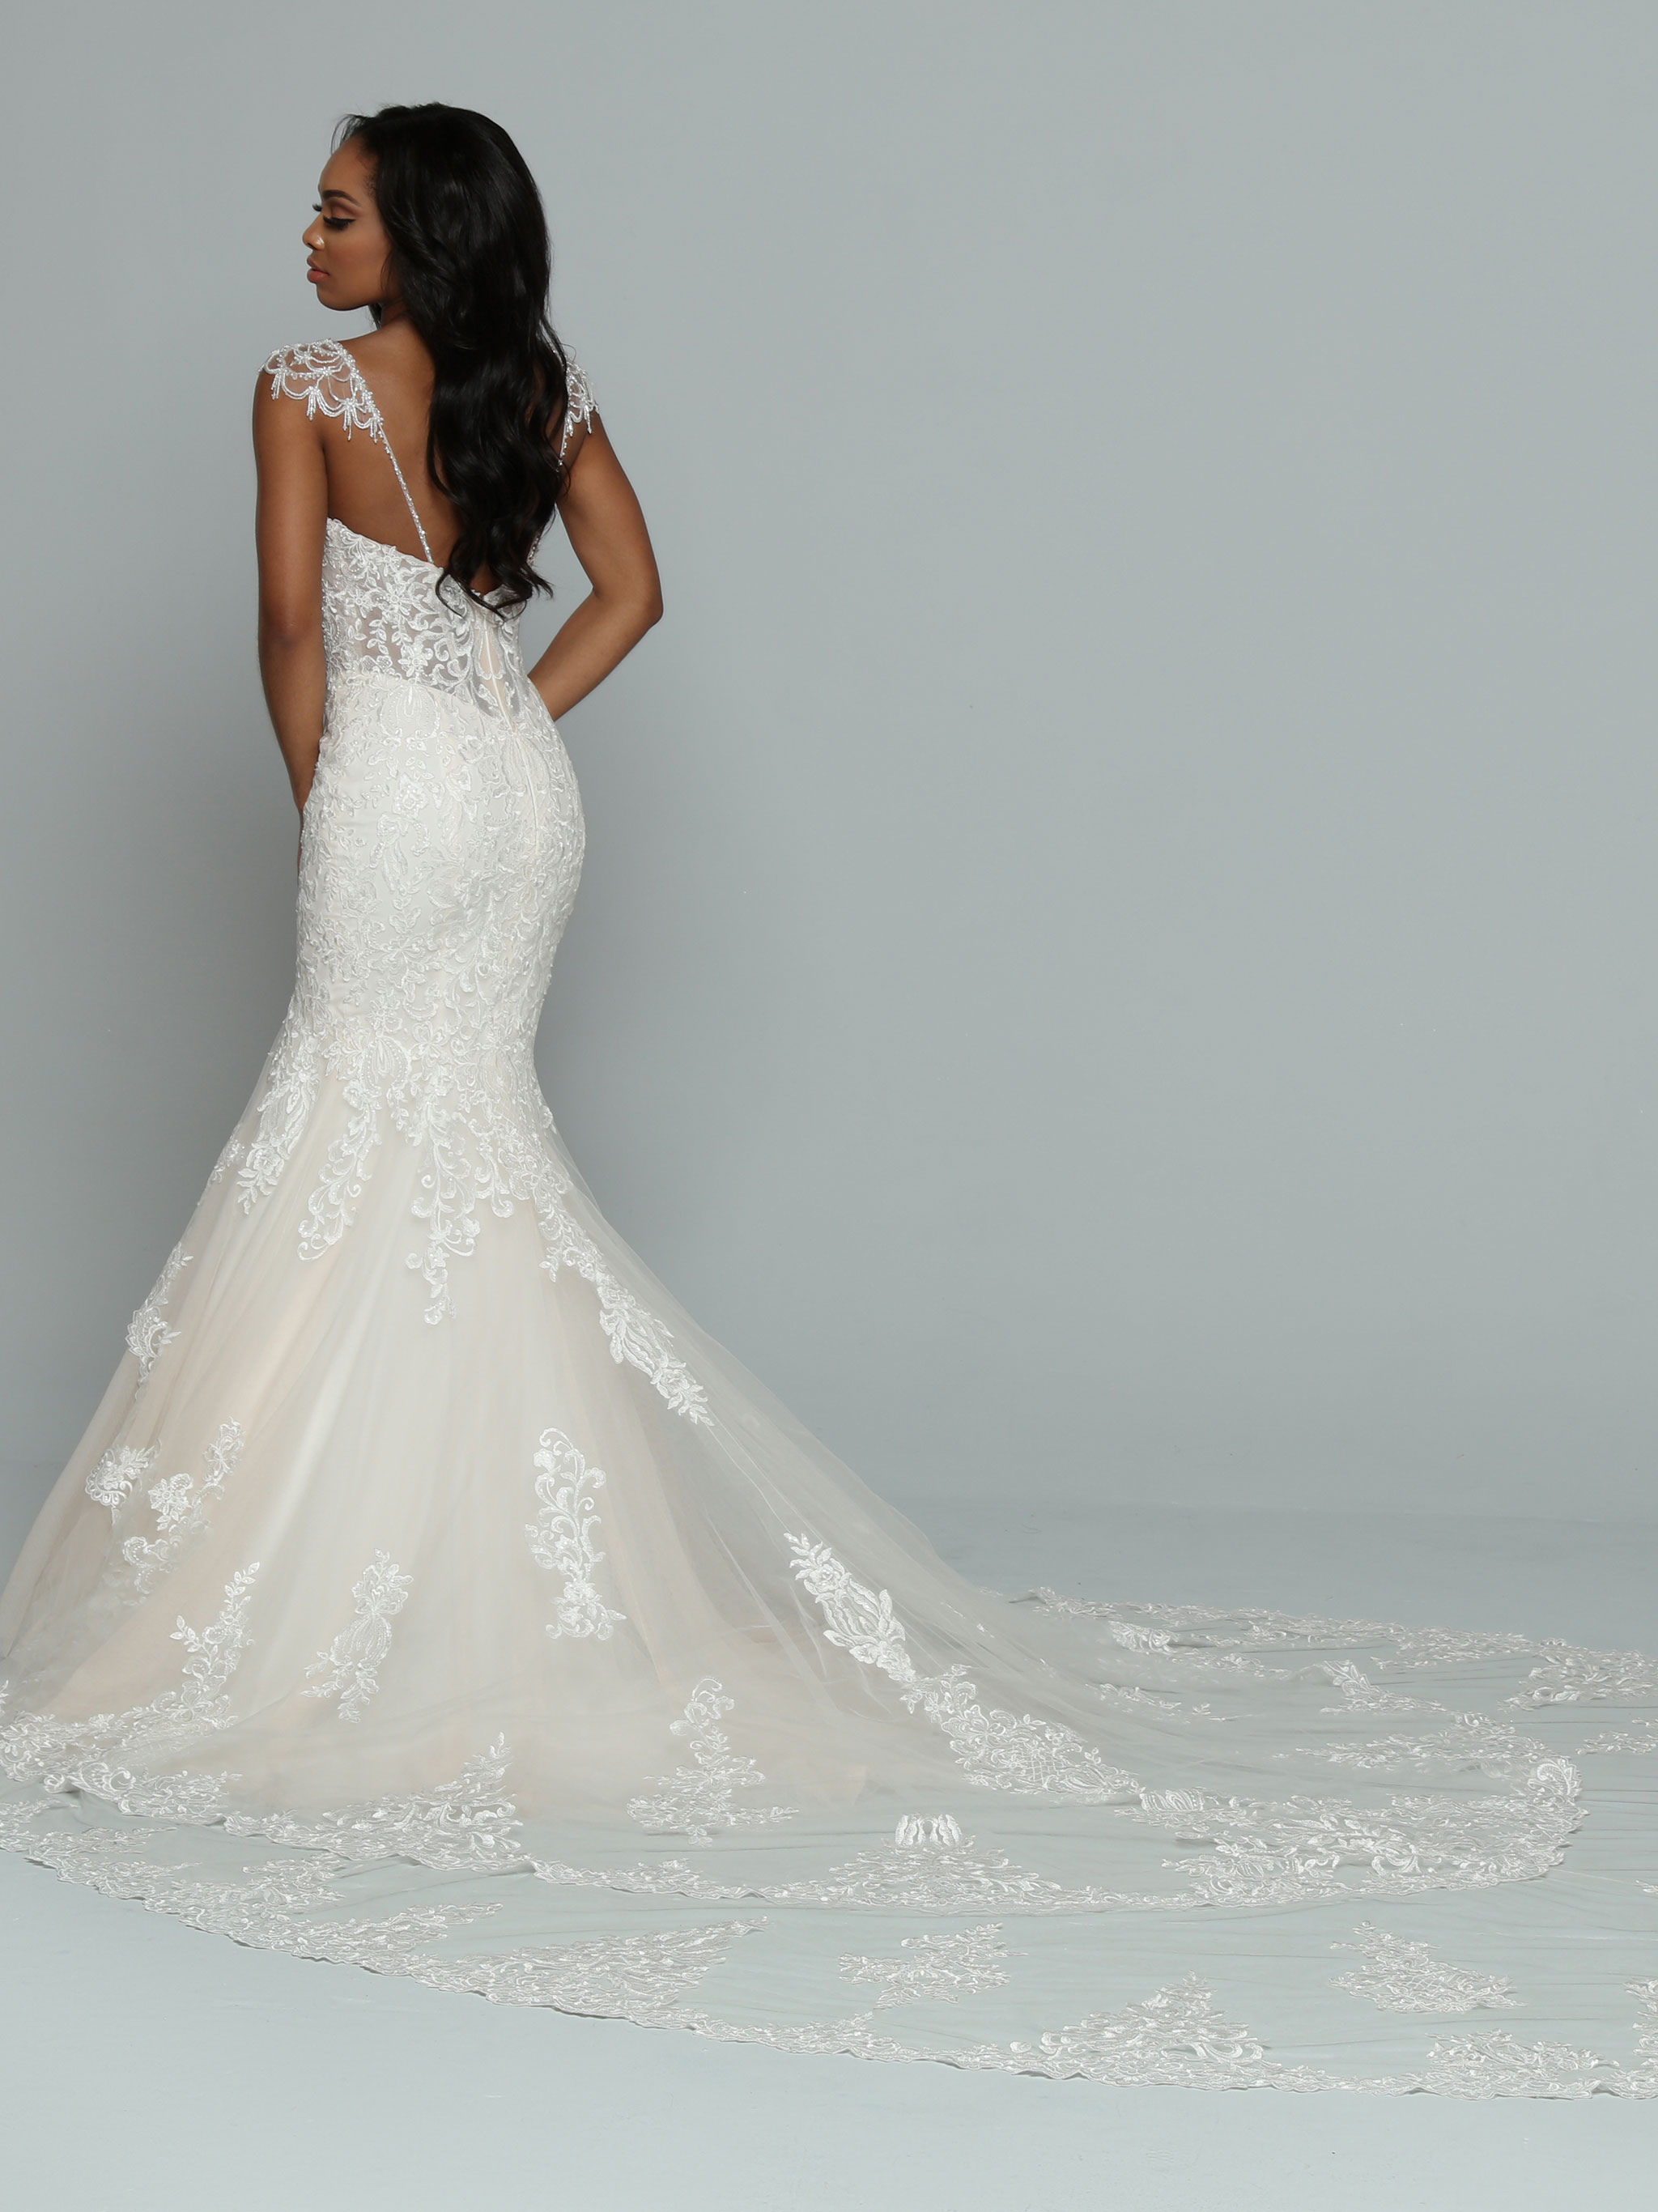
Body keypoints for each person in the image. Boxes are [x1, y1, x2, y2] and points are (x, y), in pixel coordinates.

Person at [1, 104, 1651, 2099]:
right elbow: (632, 592)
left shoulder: (299, 391)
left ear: (412, 230)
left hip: (393, 799)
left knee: (361, 1137)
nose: (307, 235)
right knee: (456, 1151)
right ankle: (463, 1576)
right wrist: (500, 719)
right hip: (518, 800)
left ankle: (352, 1588)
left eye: (336, 210)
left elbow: (287, 627)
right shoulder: (540, 390)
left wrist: (336, 794)